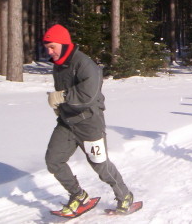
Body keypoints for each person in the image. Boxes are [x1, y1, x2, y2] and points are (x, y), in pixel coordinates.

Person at [42, 24, 133, 215]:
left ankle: (124, 195)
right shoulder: (58, 66)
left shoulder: (85, 64)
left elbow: (88, 95)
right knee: (53, 160)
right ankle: (78, 196)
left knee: (99, 164)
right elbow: (63, 93)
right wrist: (59, 108)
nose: (49, 51)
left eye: (52, 47)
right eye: (47, 47)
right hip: (67, 123)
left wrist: (62, 97)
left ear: (64, 44)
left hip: (89, 123)